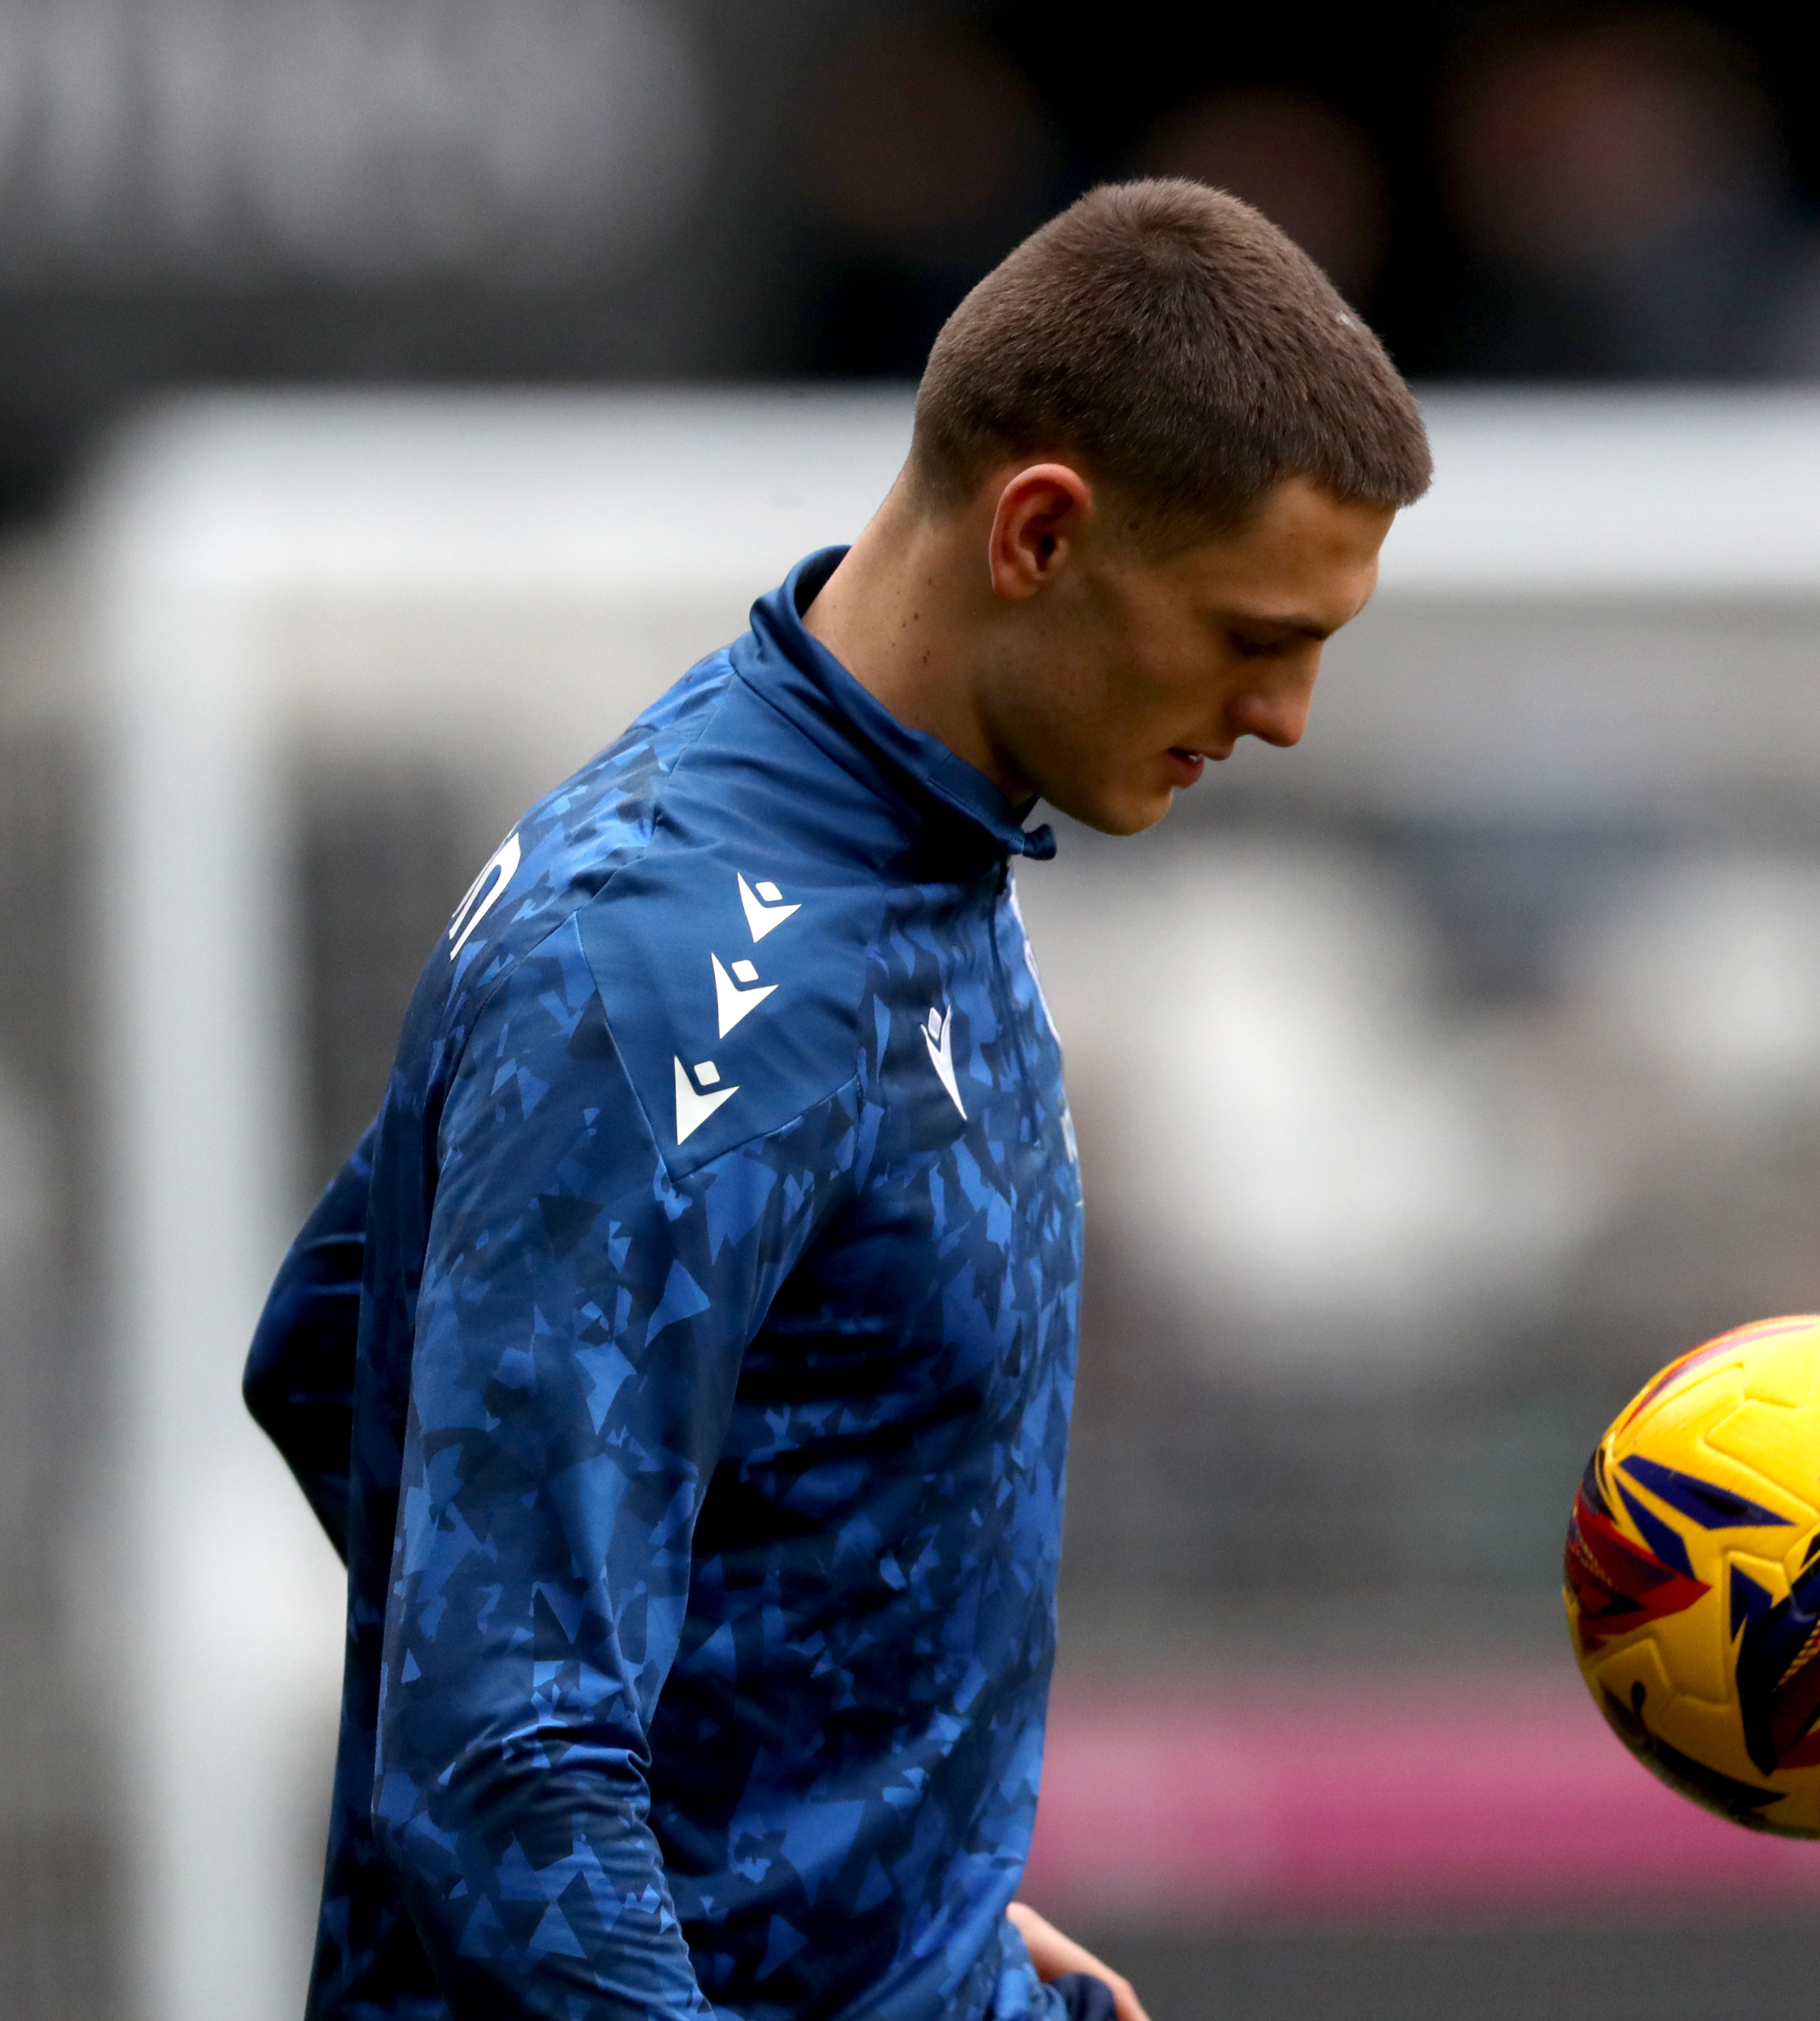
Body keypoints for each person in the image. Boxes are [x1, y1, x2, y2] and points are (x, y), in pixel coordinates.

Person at [240, 179, 1431, 2021]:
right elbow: (497, 1753)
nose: (1284, 713)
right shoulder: (663, 962)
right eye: (1250, 630)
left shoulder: (905, 855)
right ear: (1040, 531)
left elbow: (337, 1353)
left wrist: (870, 1901)